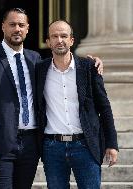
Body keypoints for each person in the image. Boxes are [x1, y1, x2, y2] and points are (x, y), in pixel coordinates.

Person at [0, 8, 103, 189]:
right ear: (3, 27)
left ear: (28, 29)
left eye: (21, 25)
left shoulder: (35, 59)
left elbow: (63, 62)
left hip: (31, 145)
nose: (17, 29)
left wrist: (91, 63)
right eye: (12, 24)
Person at [35, 20, 118, 189]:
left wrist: (112, 144)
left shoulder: (89, 67)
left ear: (72, 40)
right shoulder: (39, 70)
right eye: (55, 36)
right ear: (48, 42)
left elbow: (104, 107)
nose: (60, 40)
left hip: (85, 145)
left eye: (64, 36)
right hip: (52, 148)